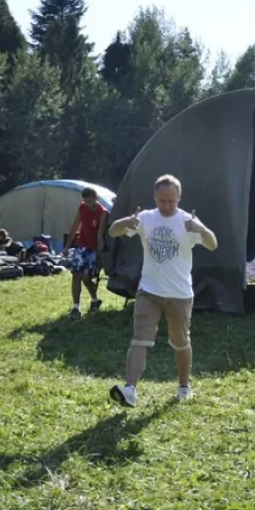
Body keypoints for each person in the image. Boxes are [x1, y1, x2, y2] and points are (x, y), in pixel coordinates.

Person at [106, 174, 218, 407]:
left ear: (179, 198)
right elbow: (113, 231)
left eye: (171, 201)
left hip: (179, 294)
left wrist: (201, 229)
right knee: (140, 339)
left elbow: (212, 244)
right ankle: (130, 390)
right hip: (149, 290)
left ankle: (184, 386)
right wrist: (126, 222)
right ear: (155, 197)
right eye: (162, 201)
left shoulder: (188, 221)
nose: (167, 206)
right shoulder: (146, 218)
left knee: (180, 342)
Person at [65, 188, 109, 318]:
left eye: (90, 201)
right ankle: (76, 308)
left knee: (86, 278)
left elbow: (100, 235)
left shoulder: (103, 213)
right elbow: (74, 226)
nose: (88, 204)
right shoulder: (82, 208)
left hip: (94, 249)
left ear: (97, 198)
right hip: (81, 246)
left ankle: (95, 300)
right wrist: (67, 246)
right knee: (76, 276)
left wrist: (99, 254)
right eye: (85, 201)